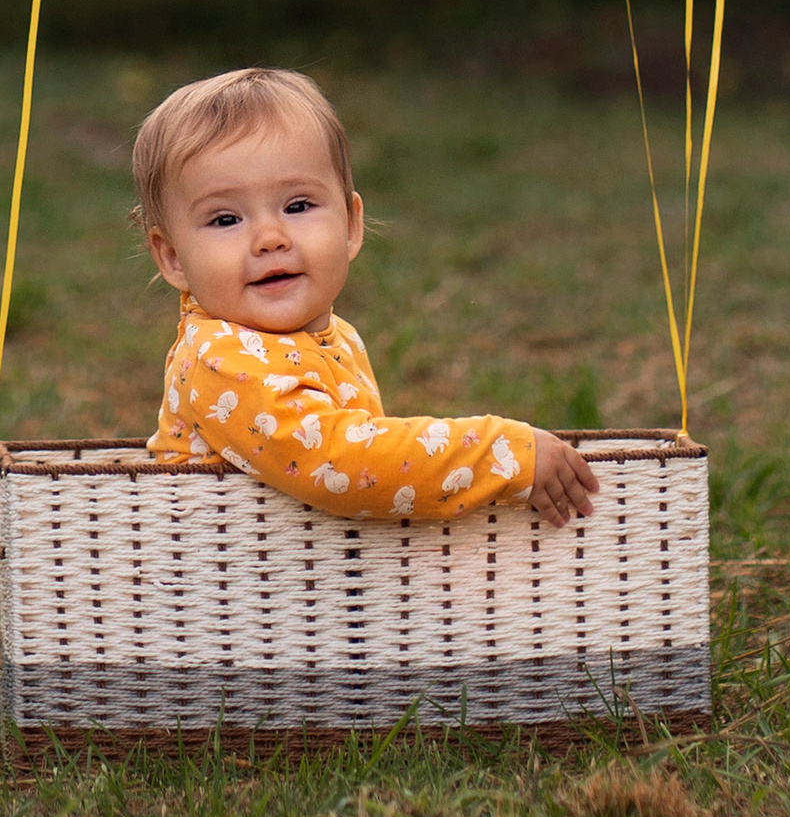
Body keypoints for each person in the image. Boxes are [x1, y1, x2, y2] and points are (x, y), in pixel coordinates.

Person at [134, 62, 600, 530]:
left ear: (352, 225)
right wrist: (499, 452)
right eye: (225, 220)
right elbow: (344, 466)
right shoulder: (220, 359)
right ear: (173, 257)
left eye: (298, 206)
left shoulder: (335, 337)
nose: (270, 237)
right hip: (212, 585)